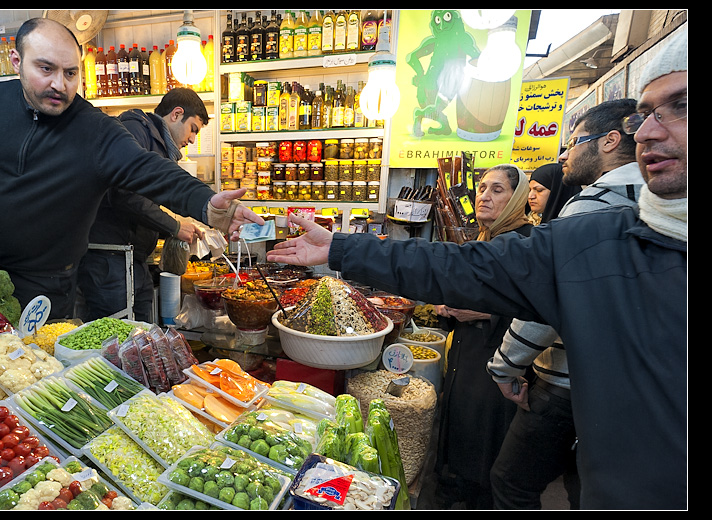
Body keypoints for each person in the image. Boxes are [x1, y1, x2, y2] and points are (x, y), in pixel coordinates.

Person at [266, 29, 687, 509]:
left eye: (680, 106)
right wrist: (341, 247)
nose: (647, 132)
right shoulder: (600, 236)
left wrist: (506, 364)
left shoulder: (602, 223)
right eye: (645, 114)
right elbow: (463, 267)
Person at [0, 18, 264, 319]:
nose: (59, 84)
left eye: (70, 73)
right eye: (46, 69)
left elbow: (149, 168)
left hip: (46, 281)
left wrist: (206, 203)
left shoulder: (95, 130)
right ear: (16, 61)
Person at [486, 97, 644, 510]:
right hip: (625, 385)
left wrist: (505, 365)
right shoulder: (654, 197)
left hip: (568, 383)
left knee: (511, 482)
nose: (564, 155)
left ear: (609, 141)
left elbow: (550, 298)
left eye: (575, 142)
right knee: (586, 492)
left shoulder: (595, 203)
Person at [432, 164, 534, 509]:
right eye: (482, 188)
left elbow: (538, 310)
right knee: (461, 423)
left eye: (497, 190)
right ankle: (457, 489)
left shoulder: (525, 242)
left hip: (500, 360)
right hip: (468, 353)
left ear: (518, 198)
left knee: (486, 436)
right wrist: (447, 304)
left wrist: (483, 313)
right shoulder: (484, 239)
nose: (484, 196)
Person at [77, 88, 209, 322]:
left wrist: (177, 227)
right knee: (115, 334)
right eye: (193, 129)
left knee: (141, 330)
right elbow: (125, 195)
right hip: (109, 259)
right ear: (176, 114)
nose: (192, 139)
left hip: (132, 259)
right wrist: (175, 226)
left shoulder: (157, 146)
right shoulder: (134, 131)